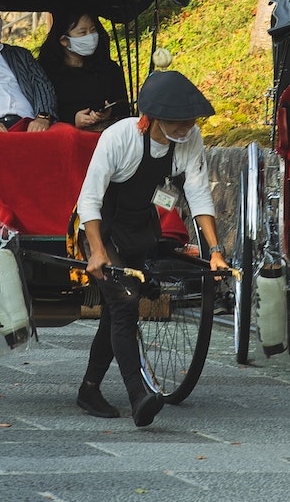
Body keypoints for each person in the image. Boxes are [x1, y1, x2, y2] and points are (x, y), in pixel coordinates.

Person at [75, 69, 229, 426]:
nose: (187, 127)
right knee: (126, 301)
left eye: (191, 120)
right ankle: (138, 395)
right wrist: (96, 251)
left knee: (116, 309)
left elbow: (198, 193)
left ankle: (89, 389)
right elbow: (89, 199)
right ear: (154, 116)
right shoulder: (119, 137)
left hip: (138, 229)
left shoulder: (189, 138)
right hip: (100, 229)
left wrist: (215, 251)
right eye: (179, 121)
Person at [38, 9, 130, 130]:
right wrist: (74, 119)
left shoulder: (109, 69)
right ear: (64, 40)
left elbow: (124, 107)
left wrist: (109, 113)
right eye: (82, 32)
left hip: (108, 133)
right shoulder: (47, 73)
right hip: (66, 135)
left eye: (93, 30)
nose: (90, 37)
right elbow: (46, 111)